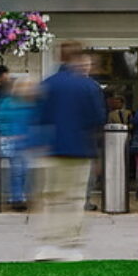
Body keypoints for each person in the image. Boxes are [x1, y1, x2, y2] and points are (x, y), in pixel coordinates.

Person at [34, 41, 105, 261]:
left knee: (51, 198)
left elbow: (39, 117)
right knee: (74, 199)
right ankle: (68, 244)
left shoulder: (47, 84)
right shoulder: (89, 86)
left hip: (51, 150)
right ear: (78, 58)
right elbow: (98, 119)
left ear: (60, 57)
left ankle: (48, 244)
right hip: (79, 150)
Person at [0, 77, 37, 211]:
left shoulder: (30, 104)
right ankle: (17, 198)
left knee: (22, 171)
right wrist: (8, 133)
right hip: (14, 141)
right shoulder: (9, 103)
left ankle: (17, 196)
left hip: (25, 142)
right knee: (18, 171)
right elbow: (1, 120)